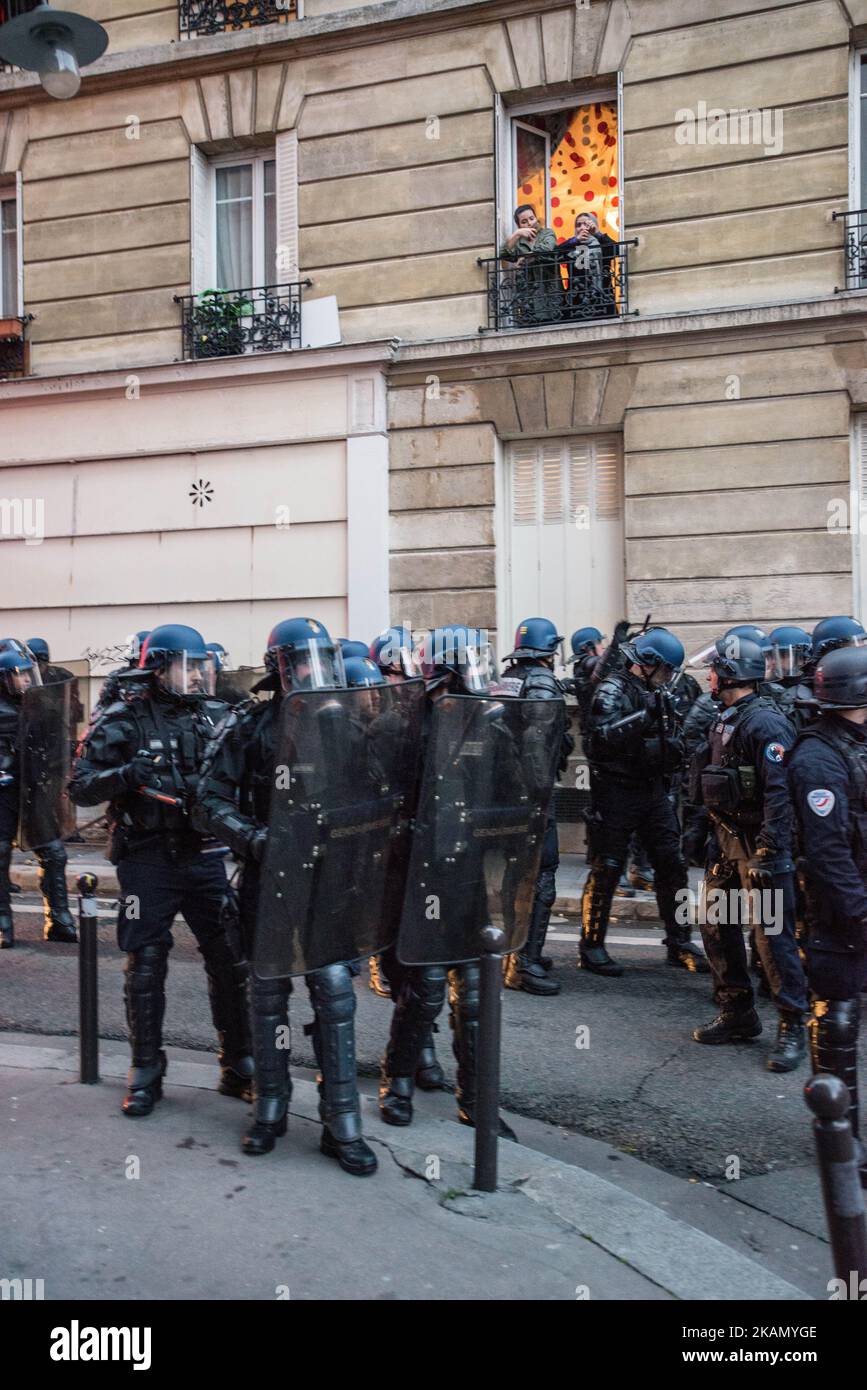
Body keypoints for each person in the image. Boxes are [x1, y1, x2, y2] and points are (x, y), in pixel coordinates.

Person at [193, 617, 379, 1176]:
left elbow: (378, 790)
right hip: (269, 877)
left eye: (321, 660)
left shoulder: (344, 722)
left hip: (328, 881)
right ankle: (270, 1105)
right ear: (281, 665)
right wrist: (252, 839)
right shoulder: (250, 725)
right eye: (303, 661)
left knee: (333, 992)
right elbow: (207, 798)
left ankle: (341, 1118)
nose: (313, 672)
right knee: (267, 993)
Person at [69, 624, 254, 1117]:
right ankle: (146, 1070)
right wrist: (127, 776)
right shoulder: (124, 716)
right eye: (185, 668)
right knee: (146, 964)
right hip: (147, 858)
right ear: (160, 668)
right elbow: (80, 786)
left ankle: (239, 1063)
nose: (196, 677)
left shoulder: (222, 716)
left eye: (202, 668)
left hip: (206, 855)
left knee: (230, 959)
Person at [378, 625, 517, 1137]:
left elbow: (515, 795)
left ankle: (477, 1100)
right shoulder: (404, 726)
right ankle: (399, 1082)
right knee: (426, 989)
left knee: (477, 994)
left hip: (473, 873)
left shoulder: (492, 725)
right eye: (471, 664)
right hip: (421, 876)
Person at [689, 637, 808, 1071]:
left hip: (761, 846)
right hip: (726, 841)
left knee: (772, 938)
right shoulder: (726, 718)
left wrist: (770, 850)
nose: (709, 676)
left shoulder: (767, 724)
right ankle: (737, 1012)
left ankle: (793, 1025)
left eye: (715, 669)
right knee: (716, 925)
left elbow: (781, 793)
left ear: (733, 674)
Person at [581, 628, 707, 975]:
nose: (668, 677)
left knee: (673, 864)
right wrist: (644, 717)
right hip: (617, 791)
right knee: (607, 868)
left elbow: (675, 734)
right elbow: (598, 742)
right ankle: (591, 945)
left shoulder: (658, 690)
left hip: (653, 790)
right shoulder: (612, 688)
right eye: (665, 669)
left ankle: (679, 941)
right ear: (647, 664)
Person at [787, 645, 867, 1183]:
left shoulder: (856, 743)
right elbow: (828, 851)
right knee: (836, 1018)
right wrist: (860, 913)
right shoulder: (817, 757)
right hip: (837, 914)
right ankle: (842, 1140)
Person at [498, 617, 573, 996]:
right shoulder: (541, 682)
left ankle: (514, 952)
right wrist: (538, 790)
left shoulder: (507, 677)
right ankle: (523, 963)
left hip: (505, 794)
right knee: (541, 875)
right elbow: (537, 740)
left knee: (515, 876)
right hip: (532, 796)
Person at [0, 643, 77, 949]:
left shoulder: (38, 707)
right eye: (21, 675)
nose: (29, 680)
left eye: (29, 674)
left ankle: (59, 920)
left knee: (55, 852)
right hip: (4, 794)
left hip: (33, 791)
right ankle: (3, 923)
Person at [498, 204, 562, 326]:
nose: (529, 223)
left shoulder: (547, 233)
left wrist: (524, 257)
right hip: (529, 294)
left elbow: (546, 249)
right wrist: (516, 235)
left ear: (536, 218)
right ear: (519, 225)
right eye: (524, 221)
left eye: (531, 218)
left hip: (549, 289)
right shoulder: (519, 242)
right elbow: (504, 254)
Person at [560, 211, 619, 318]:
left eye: (586, 224)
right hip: (575, 303)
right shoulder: (571, 247)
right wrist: (575, 240)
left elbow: (617, 250)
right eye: (578, 225)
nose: (582, 228)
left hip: (602, 301)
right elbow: (554, 254)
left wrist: (597, 233)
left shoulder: (602, 244)